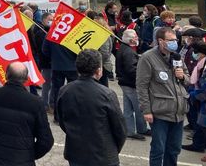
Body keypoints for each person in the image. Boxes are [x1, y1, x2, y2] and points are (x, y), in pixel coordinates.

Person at [0, 62, 53, 166]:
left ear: (6, 75)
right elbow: (46, 140)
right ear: (26, 79)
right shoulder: (36, 103)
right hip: (22, 160)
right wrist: (29, 154)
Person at [57, 49, 126, 166]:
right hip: (103, 154)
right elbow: (120, 128)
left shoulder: (65, 90)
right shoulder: (107, 94)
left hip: (76, 152)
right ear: (99, 70)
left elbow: (62, 120)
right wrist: (114, 148)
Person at [137, 26, 190, 166]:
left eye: (176, 40)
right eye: (171, 40)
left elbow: (189, 79)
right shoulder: (147, 58)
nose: (175, 43)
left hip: (178, 112)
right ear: (161, 41)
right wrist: (146, 110)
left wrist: (183, 76)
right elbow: (142, 86)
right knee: (158, 149)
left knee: (174, 149)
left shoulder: (177, 56)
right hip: (159, 112)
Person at [115, 29, 149, 140]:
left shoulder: (124, 49)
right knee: (138, 107)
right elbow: (132, 70)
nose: (137, 39)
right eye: (135, 37)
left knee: (128, 108)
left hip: (124, 82)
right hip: (131, 83)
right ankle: (141, 128)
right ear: (130, 39)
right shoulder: (128, 51)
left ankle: (130, 130)